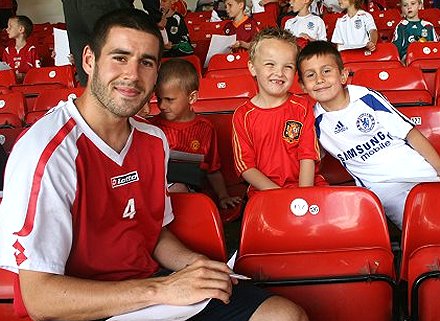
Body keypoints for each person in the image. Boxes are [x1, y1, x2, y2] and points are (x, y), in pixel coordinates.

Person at [0, 8, 308, 321]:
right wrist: (161, 290)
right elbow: (39, 299)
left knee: (283, 315)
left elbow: (153, 232)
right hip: (91, 305)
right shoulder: (45, 150)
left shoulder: (153, 140)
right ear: (89, 59)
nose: (132, 75)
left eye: (146, 62)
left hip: (151, 286)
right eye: (119, 57)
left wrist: (194, 265)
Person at [296, 40, 440, 229]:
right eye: (311, 75)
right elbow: (309, 157)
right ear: (303, 86)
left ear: (343, 75)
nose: (320, 79)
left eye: (326, 71)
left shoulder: (365, 97)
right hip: (382, 188)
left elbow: (410, 133)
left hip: (418, 172)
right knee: (423, 227)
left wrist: (438, 167)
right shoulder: (314, 121)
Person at [232, 28, 327, 198]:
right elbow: (245, 166)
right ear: (252, 68)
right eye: (270, 64)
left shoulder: (302, 107)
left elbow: (308, 155)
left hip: (307, 186)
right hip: (265, 191)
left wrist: (302, 196)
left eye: (288, 67)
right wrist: (281, 196)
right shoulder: (242, 115)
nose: (279, 73)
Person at [149, 58, 242, 209]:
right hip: (155, 191)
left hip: (190, 192)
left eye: (169, 99)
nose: (161, 105)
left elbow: (213, 169)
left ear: (192, 97)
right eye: (159, 99)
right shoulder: (152, 128)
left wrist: (223, 196)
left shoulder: (205, 128)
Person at [61, 0, 161, 86]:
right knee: (124, 70)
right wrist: (156, 17)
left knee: (88, 71)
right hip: (107, 5)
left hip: (71, 7)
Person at [2, 15, 40, 83]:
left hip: (28, 87)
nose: (7, 29)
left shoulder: (31, 50)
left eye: (10, 26)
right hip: (11, 88)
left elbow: (38, 74)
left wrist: (23, 76)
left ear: (21, 29)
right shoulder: (7, 51)